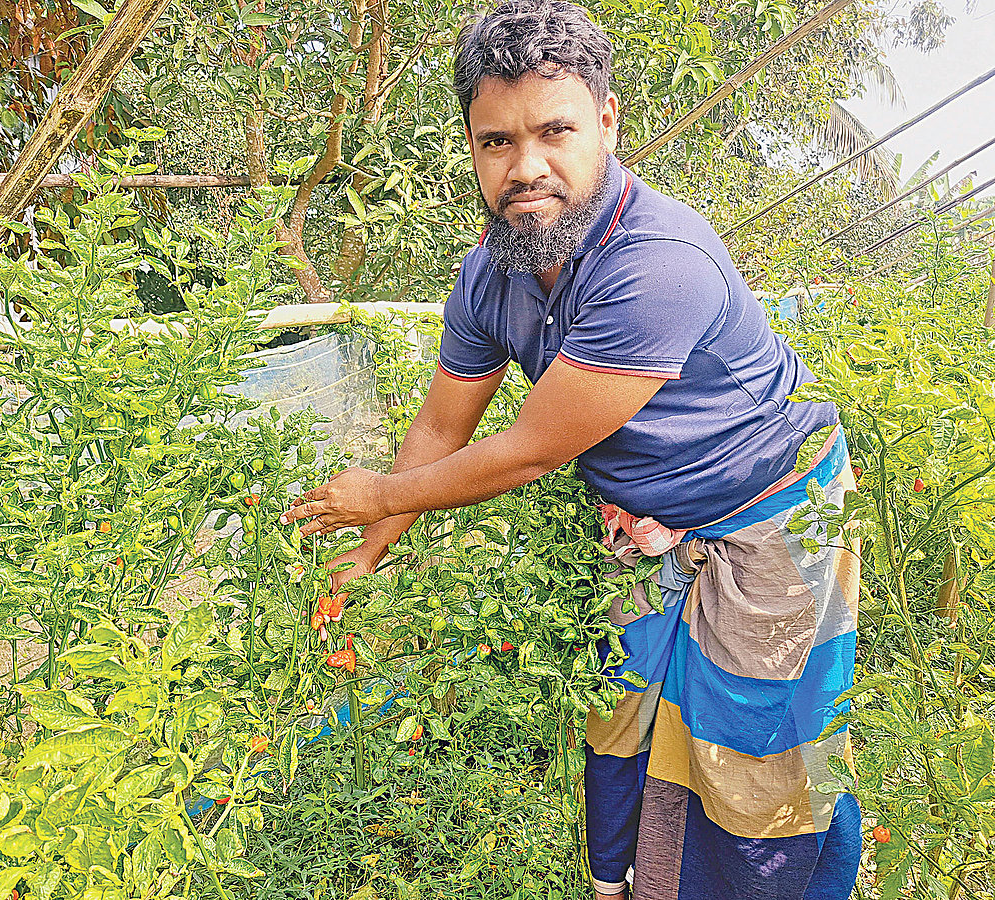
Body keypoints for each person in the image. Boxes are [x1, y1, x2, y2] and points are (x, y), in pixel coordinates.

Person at [279, 2, 863, 897]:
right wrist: (368, 545)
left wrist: (375, 495)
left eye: (555, 130)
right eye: (496, 142)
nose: (527, 168)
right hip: (651, 524)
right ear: (472, 148)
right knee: (624, 717)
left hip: (773, 515)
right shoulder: (492, 273)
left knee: (757, 749)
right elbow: (442, 427)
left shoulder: (657, 260)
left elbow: (526, 452)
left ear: (608, 120)